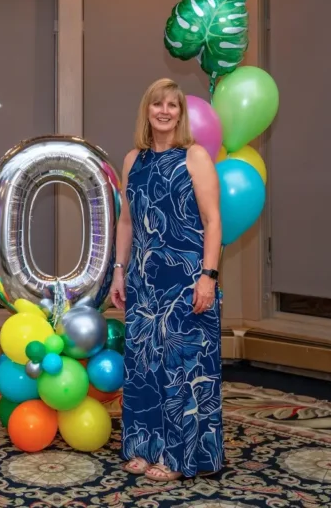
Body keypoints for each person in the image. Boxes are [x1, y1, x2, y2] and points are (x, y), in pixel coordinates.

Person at [109, 77, 223, 482]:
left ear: (180, 114)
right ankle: (144, 447)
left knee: (180, 370)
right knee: (144, 368)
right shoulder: (132, 160)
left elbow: (213, 221)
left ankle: (178, 457)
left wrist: (208, 277)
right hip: (144, 282)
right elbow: (127, 221)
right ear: (147, 110)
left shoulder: (195, 157)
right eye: (157, 104)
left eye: (172, 105)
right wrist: (119, 271)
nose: (164, 111)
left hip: (186, 281)